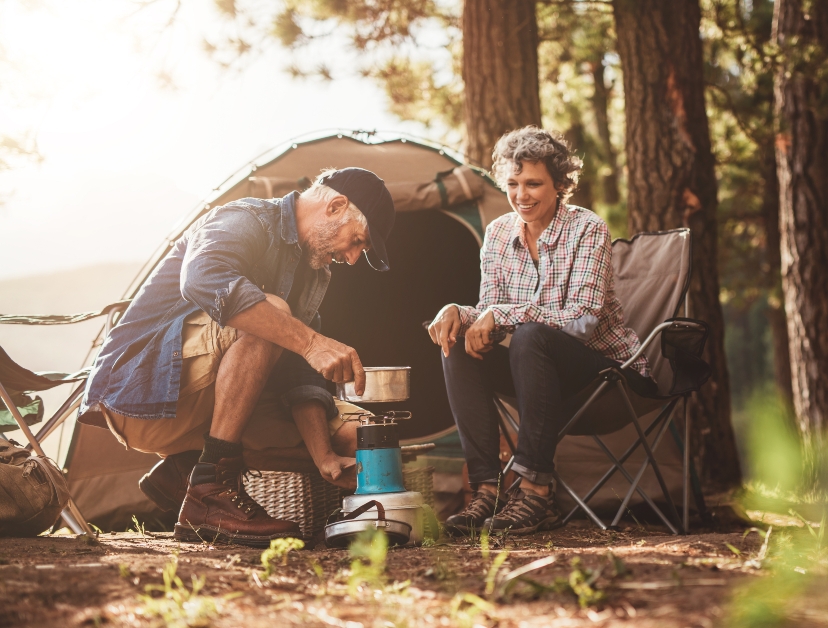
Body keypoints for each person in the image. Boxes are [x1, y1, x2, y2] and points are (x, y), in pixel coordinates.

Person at [82, 168, 395, 546]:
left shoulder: (313, 275)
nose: (353, 258)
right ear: (335, 206)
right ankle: (209, 487)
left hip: (220, 404)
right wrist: (311, 341)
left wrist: (324, 456)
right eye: (357, 241)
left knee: (363, 432)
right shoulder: (245, 218)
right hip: (143, 392)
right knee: (272, 311)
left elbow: (300, 373)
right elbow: (202, 278)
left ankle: (190, 470)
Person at [427, 127, 654, 535]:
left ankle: (535, 493)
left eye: (533, 184)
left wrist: (502, 317)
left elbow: (582, 319)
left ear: (561, 184)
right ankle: (486, 489)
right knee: (458, 343)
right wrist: (458, 313)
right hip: (533, 369)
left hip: (602, 373)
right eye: (513, 184)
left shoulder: (587, 228)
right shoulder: (497, 235)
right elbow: (489, 310)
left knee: (530, 334)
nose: (521, 196)